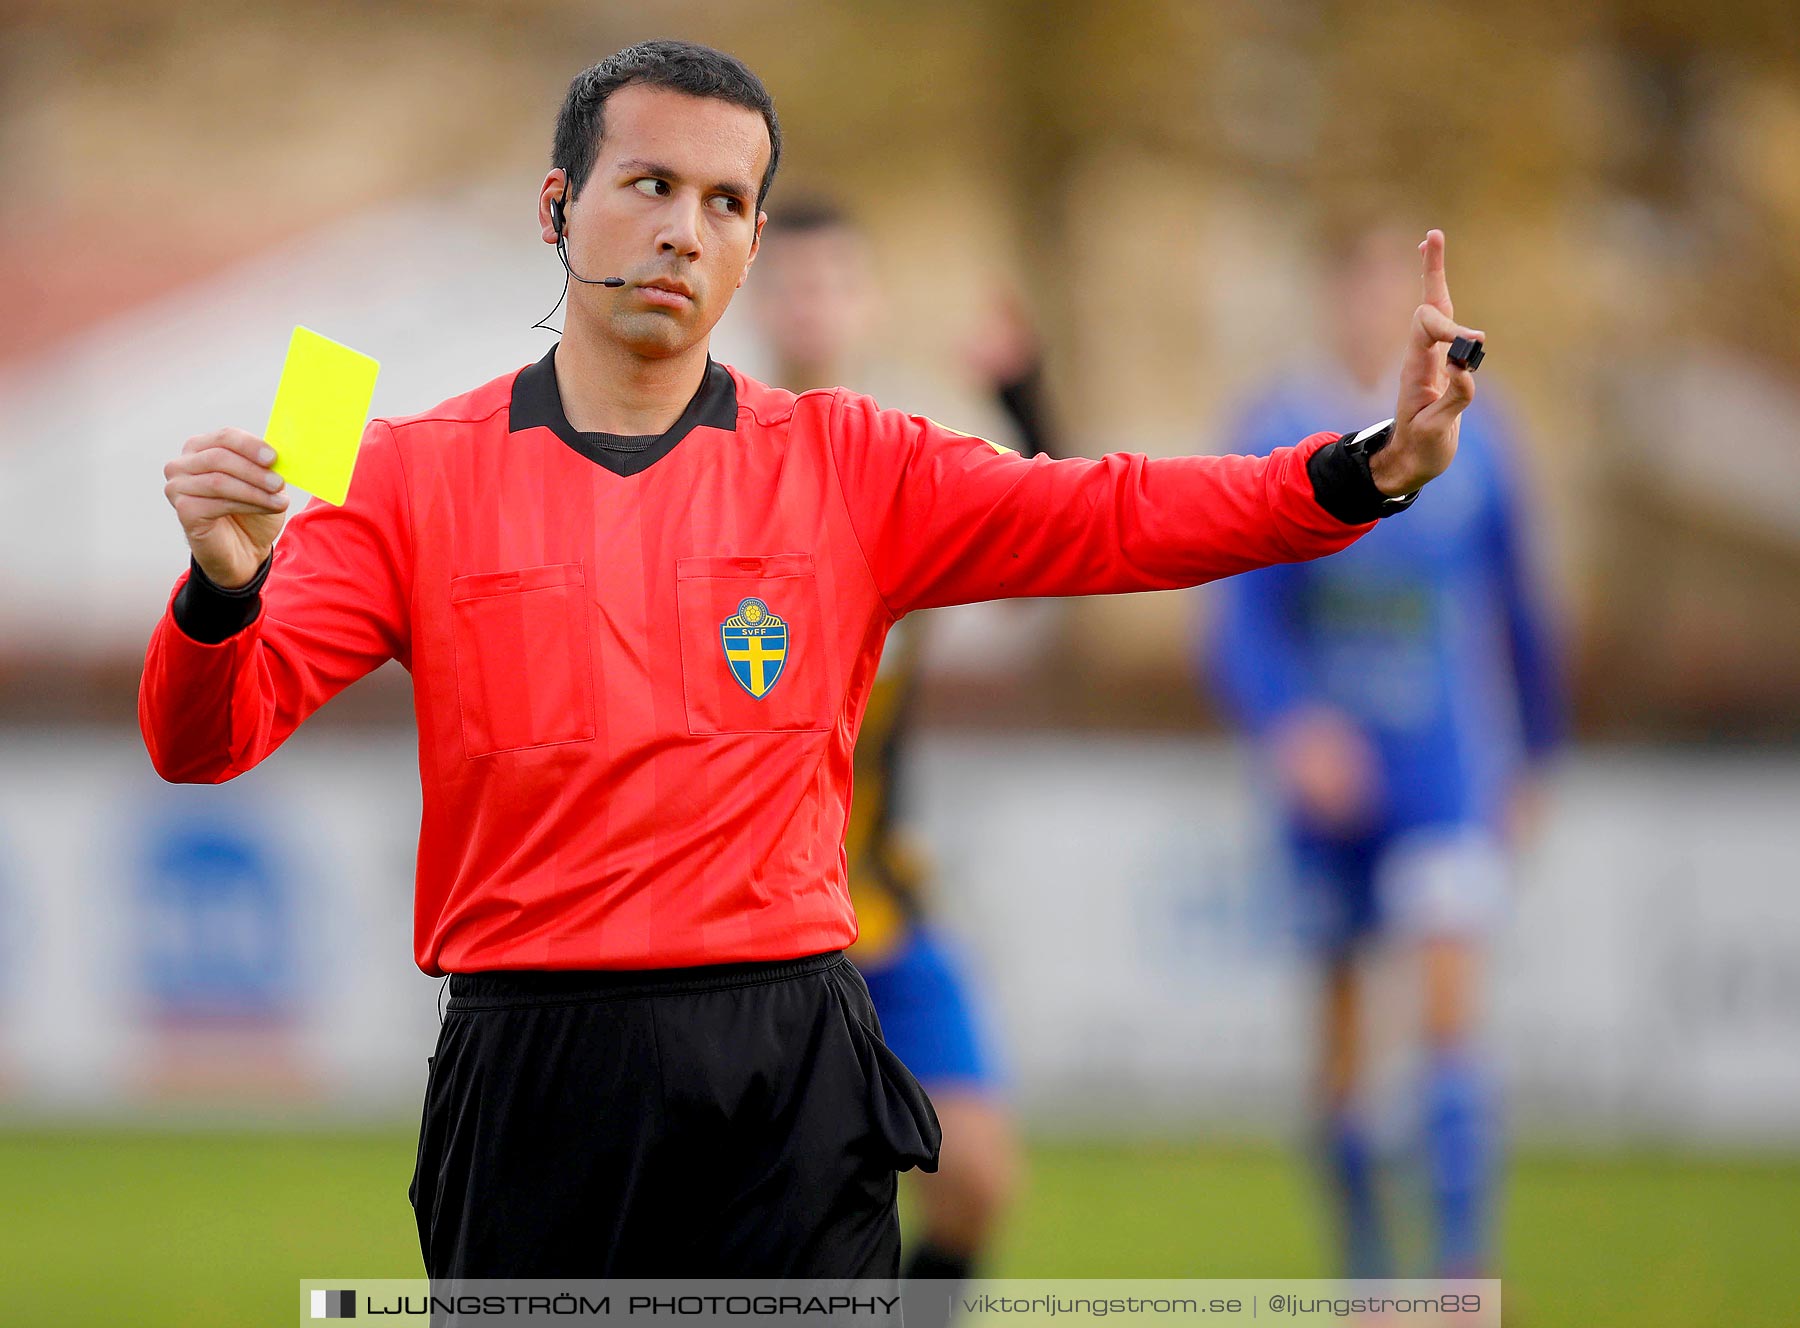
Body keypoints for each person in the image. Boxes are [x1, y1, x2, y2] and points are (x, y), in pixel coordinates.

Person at [141, 39, 1484, 1281]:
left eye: (727, 203)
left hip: (788, 1066)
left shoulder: (854, 461)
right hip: (536, 1073)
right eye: (649, 184)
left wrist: (1369, 470)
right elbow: (203, 739)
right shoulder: (400, 473)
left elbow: (1115, 511)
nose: (685, 228)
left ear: (754, 245)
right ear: (557, 207)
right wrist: (219, 589)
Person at [1203, 220, 1562, 1280]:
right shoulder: (1276, 424)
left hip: (1443, 767)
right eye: (1355, 288)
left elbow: (1522, 606)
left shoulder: (1485, 438)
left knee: (1452, 1019)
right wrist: (1290, 726)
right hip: (1330, 784)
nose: (1372, 308)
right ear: (1331, 298)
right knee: (1345, 1053)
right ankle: (1367, 1276)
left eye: (1387, 289)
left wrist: (1535, 752)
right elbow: (1237, 618)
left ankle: (1461, 1274)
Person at [746, 199, 1056, 1311]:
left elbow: (1049, 551)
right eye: (790, 281)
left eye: (833, 280)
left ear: (866, 302)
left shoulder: (904, 471)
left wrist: (1027, 401)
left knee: (974, 1176)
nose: (811, 303)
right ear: (752, 294)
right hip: (744, 929)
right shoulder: (702, 459)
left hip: (881, 898)